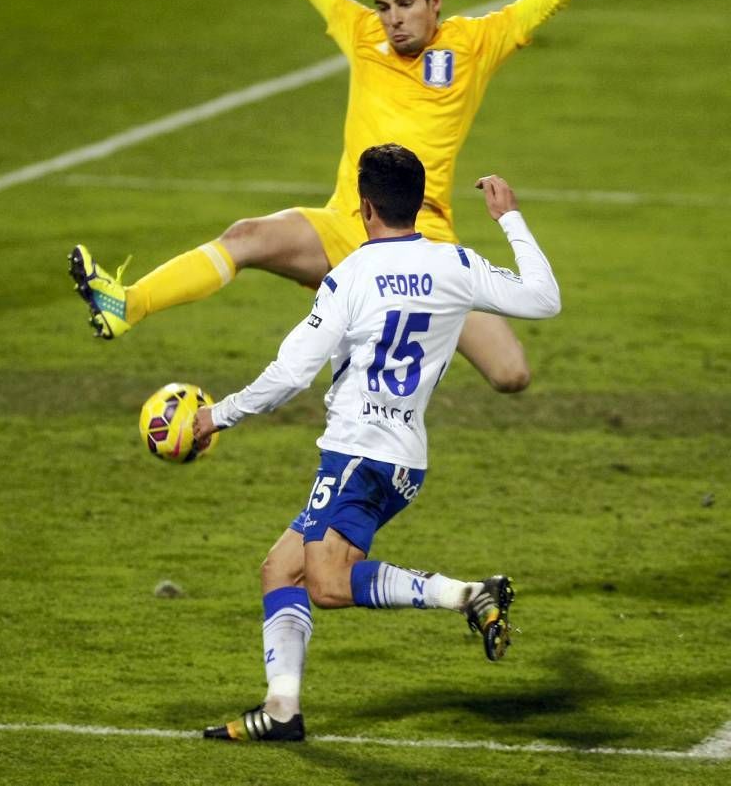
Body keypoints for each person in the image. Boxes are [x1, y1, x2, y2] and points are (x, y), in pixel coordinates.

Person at [68, 0, 687, 392]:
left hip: (429, 246)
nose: (393, 20)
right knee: (249, 235)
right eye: (386, 6)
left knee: (510, 373)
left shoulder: (474, 44)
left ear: (435, 1)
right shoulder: (364, 35)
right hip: (347, 227)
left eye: (407, 4)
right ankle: (129, 304)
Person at [190, 143, 560, 742]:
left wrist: (219, 415)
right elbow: (544, 298)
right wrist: (509, 217)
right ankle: (282, 710)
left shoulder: (350, 277)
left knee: (330, 583)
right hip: (405, 459)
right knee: (280, 571)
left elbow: (289, 375)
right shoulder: (455, 265)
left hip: (358, 453)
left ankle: (464, 594)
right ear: (419, 203)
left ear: (365, 207)